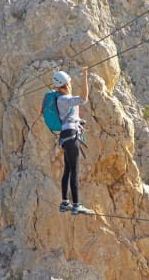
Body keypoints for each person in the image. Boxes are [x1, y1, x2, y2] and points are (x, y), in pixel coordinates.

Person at [54, 67, 94, 215]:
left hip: (65, 136)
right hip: (71, 137)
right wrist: (85, 75)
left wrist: (79, 121)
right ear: (66, 85)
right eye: (69, 83)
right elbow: (84, 98)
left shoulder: (59, 99)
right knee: (74, 170)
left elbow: (69, 116)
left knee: (68, 170)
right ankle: (77, 205)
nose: (71, 85)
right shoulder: (65, 99)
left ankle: (65, 202)